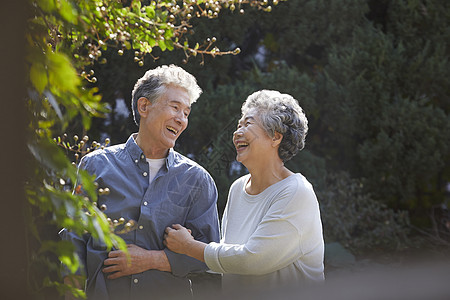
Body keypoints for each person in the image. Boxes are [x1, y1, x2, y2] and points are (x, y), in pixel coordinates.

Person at [60, 65, 220, 299]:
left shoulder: (197, 180)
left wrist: (152, 260)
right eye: (175, 107)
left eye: (186, 112)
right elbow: (74, 241)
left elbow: (210, 255)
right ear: (144, 106)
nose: (181, 119)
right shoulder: (95, 166)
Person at [164, 90, 324, 292]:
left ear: (275, 137)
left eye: (247, 124)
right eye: (238, 125)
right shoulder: (238, 188)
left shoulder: (296, 193)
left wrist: (189, 247)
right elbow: (227, 258)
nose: (237, 132)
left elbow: (252, 260)